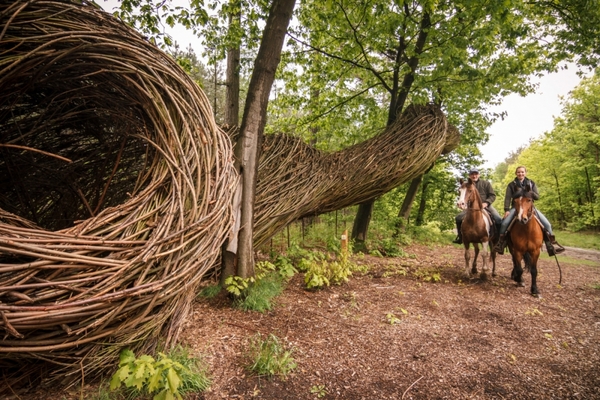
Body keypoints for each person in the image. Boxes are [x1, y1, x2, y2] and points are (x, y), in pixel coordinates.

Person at [494, 166, 565, 256]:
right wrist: (506, 210)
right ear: (516, 173)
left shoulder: (531, 183)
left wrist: (530, 192)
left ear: (525, 173)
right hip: (516, 208)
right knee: (504, 223)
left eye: (522, 172)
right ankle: (501, 243)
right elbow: (507, 198)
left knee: (547, 224)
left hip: (530, 208)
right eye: (519, 172)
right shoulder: (511, 185)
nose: (521, 174)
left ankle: (550, 245)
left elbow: (537, 197)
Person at [453, 169, 502, 244]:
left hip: (486, 205)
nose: (474, 176)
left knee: (498, 219)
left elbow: (492, 195)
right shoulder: (466, 184)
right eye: (472, 174)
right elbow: (462, 196)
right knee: (458, 218)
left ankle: (498, 240)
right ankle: (460, 237)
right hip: (471, 207)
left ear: (479, 175)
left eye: (476, 174)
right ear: (469, 176)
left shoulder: (486, 183)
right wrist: (462, 204)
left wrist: (486, 203)